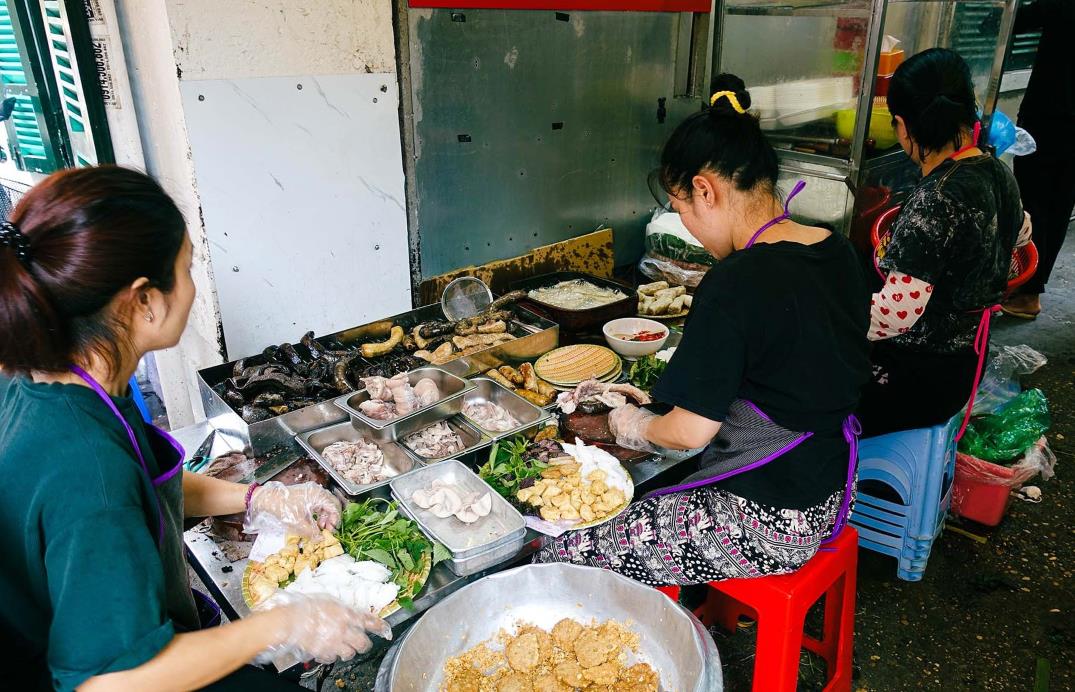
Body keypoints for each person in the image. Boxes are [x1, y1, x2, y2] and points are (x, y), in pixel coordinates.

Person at [0, 167, 390, 691]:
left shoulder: (57, 379)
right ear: (143, 300)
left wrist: (259, 498)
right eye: (187, 268)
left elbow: (141, 481)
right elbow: (109, 682)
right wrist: (282, 622)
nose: (192, 286)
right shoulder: (86, 466)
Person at [535, 75, 871, 585]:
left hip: (766, 520)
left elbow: (689, 433)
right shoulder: (834, 248)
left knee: (558, 547)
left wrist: (633, 424)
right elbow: (785, 368)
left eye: (682, 209)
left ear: (704, 190)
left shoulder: (736, 281)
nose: (686, 225)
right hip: (827, 490)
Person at [856, 49, 1028, 438]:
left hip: (919, 377)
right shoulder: (996, 171)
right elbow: (1022, 233)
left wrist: (823, 315)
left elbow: (893, 316)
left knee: (801, 394)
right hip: (967, 362)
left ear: (901, 126)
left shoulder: (937, 198)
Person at [1002, 0, 1075, 319]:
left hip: (1050, 117)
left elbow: (1009, 19)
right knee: (1059, 206)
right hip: (1058, 120)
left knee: (1034, 203)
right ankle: (1031, 290)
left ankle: (1027, 290)